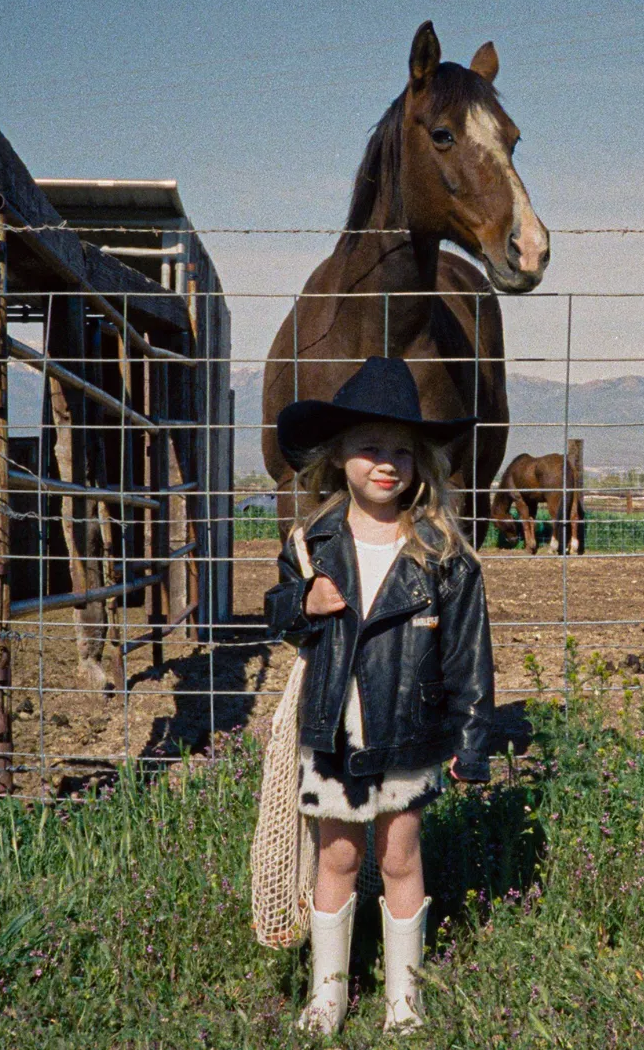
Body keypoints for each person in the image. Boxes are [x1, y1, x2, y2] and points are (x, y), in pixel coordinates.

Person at [263, 356, 495, 1036]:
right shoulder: (313, 542)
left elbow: (469, 657)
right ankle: (327, 994)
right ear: (339, 458)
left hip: (411, 729)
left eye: (402, 450)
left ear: (422, 463)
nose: (385, 463)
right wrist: (305, 600)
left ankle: (403, 1000)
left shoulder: (444, 553)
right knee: (338, 855)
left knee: (400, 855)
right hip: (334, 728)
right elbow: (279, 615)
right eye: (370, 447)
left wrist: (471, 743)